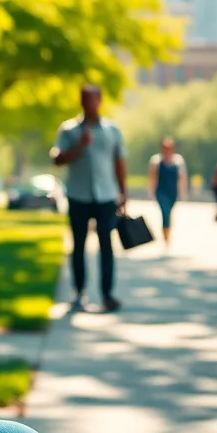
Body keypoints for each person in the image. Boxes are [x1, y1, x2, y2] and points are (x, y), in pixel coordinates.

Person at [51, 84, 128, 313]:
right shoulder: (69, 130)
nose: (89, 104)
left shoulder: (112, 130)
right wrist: (79, 146)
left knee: (106, 244)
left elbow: (120, 163)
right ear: (80, 102)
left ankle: (107, 294)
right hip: (78, 195)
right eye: (85, 100)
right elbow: (57, 159)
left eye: (93, 99)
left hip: (106, 196)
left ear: (100, 101)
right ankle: (79, 291)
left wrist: (123, 193)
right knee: (79, 244)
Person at [146, 137, 187, 249]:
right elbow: (153, 177)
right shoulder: (156, 161)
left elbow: (182, 178)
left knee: (169, 214)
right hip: (161, 192)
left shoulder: (178, 161)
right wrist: (151, 192)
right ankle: (166, 238)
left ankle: (167, 234)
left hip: (172, 192)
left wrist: (182, 193)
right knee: (165, 213)